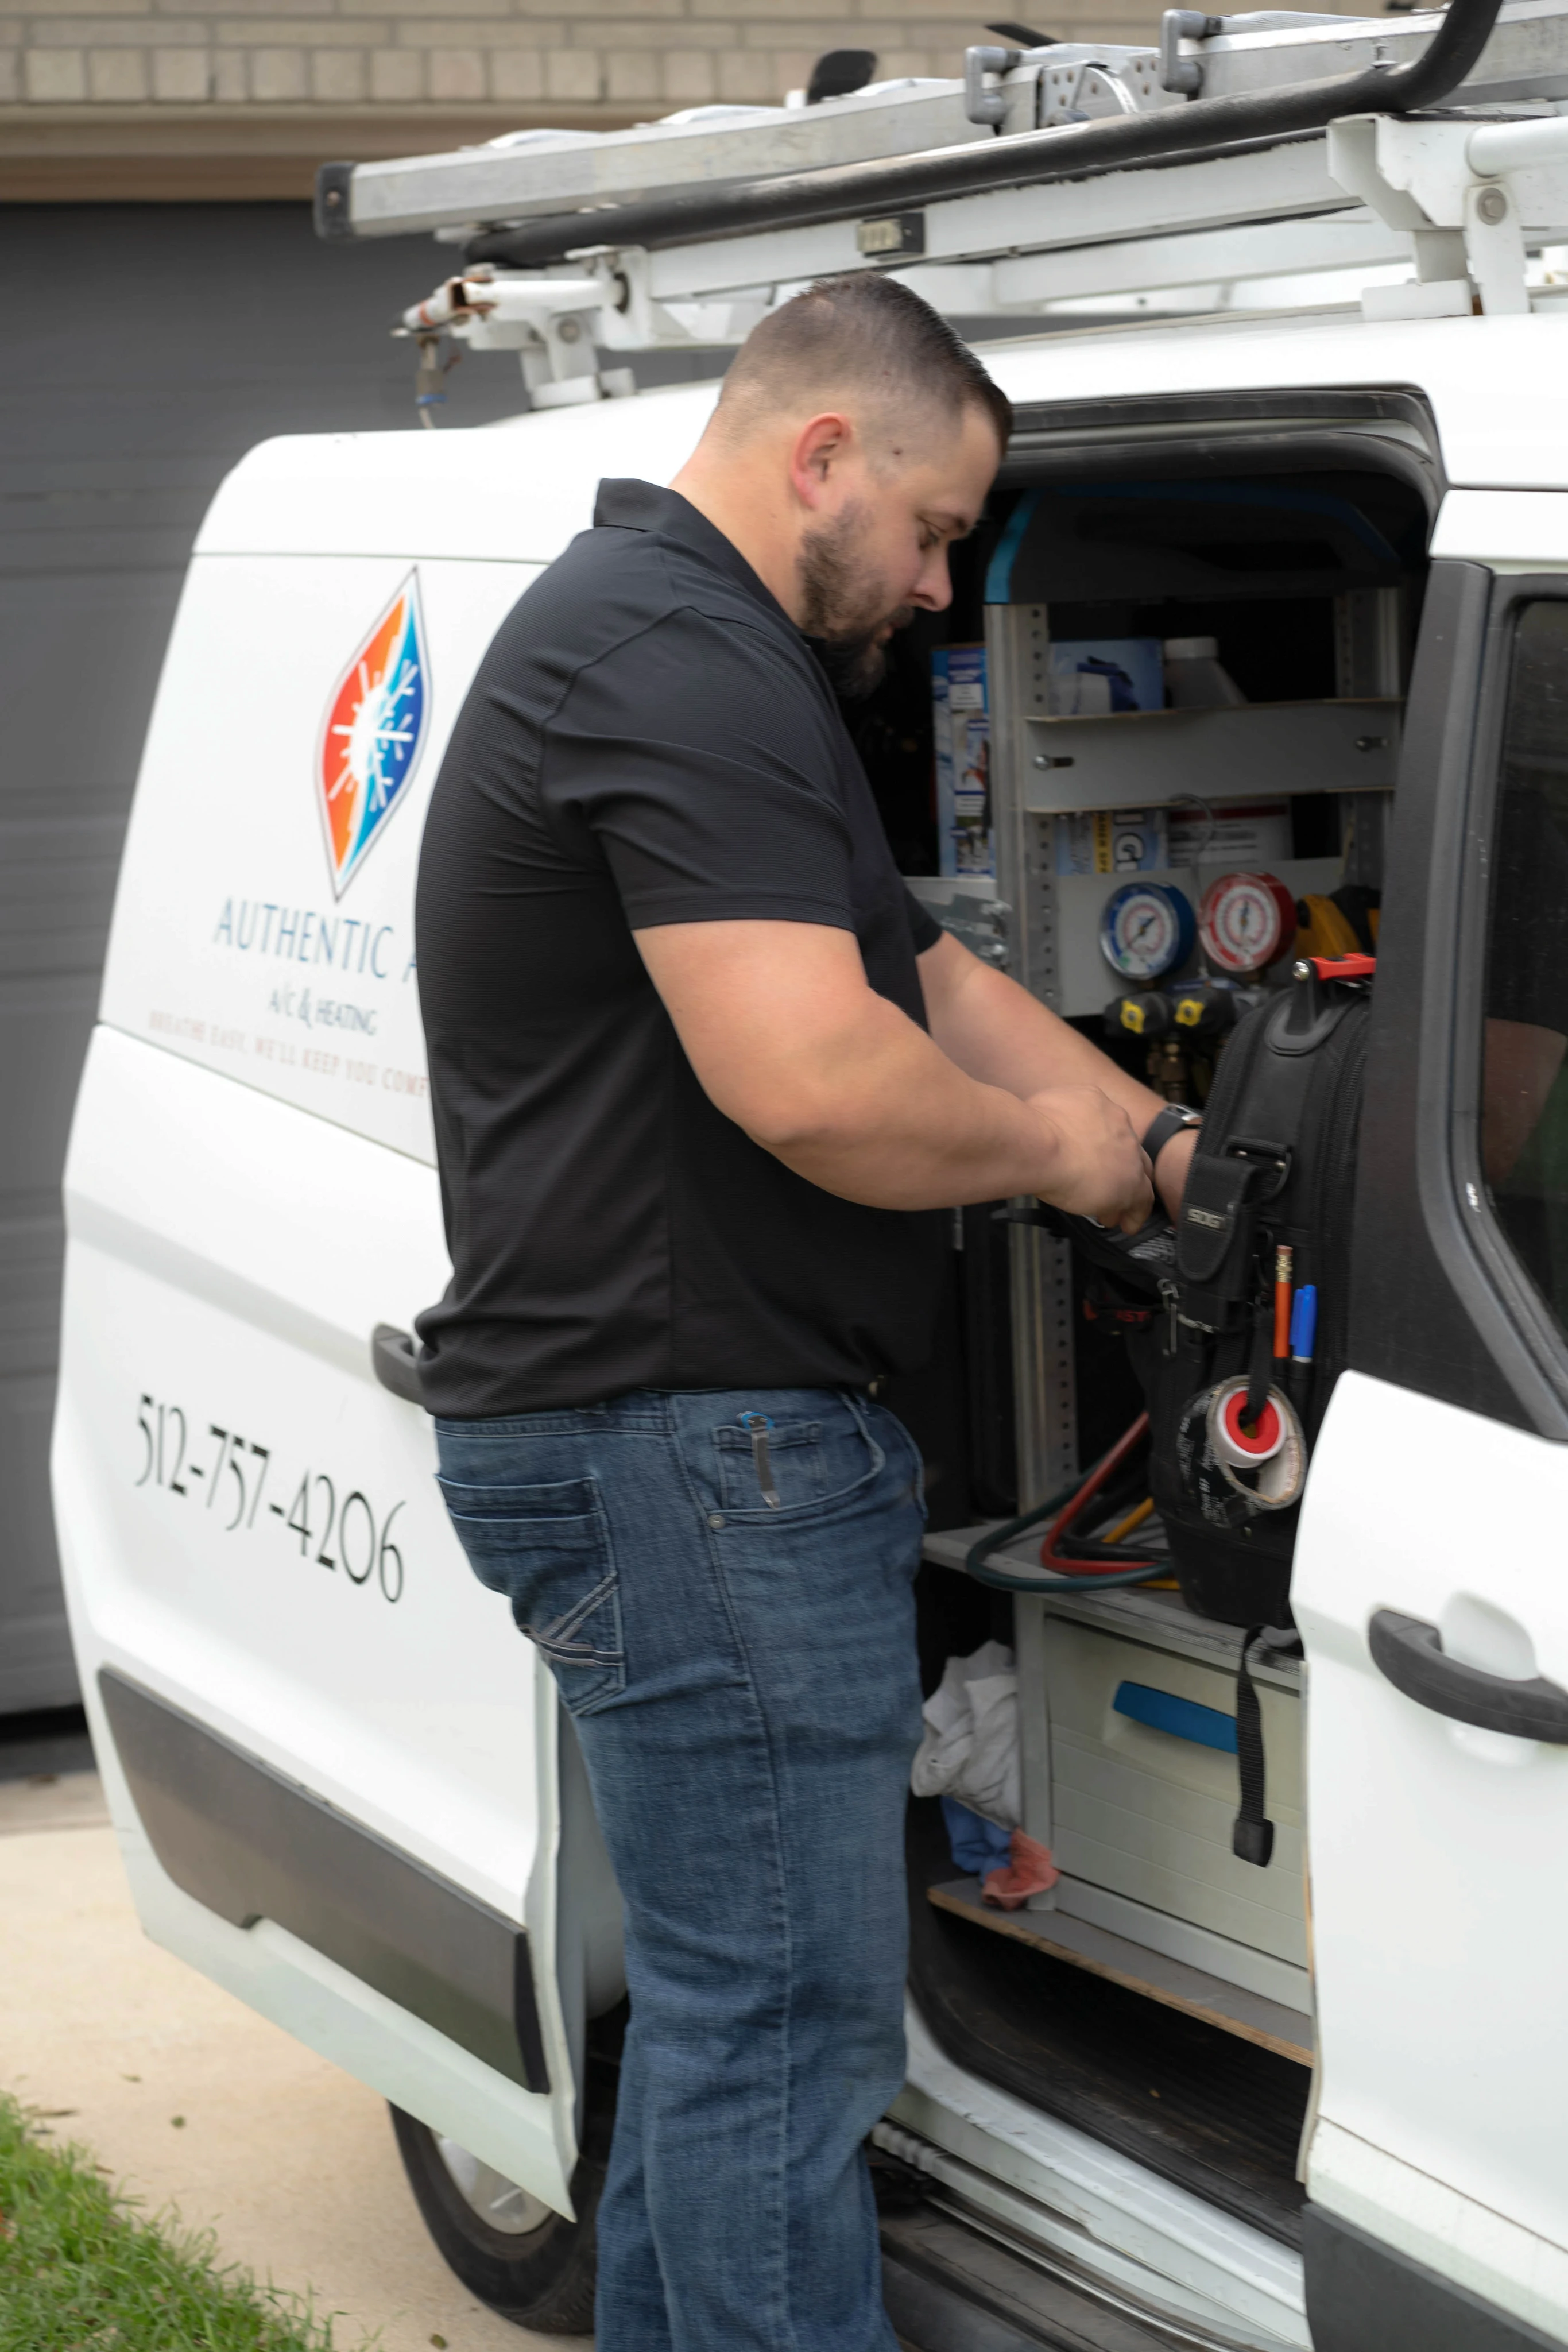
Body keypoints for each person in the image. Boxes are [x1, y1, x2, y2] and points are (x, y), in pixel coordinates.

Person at [413, 273, 1198, 2352]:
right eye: (938, 529)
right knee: (785, 2052)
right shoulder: (675, 657)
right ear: (821, 453)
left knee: (727, 2037)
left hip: (675, 1441)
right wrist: (1057, 1167)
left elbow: (916, 980)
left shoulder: (705, 655)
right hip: (693, 1450)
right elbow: (817, 1078)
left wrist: (1156, 1133)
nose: (944, 590)